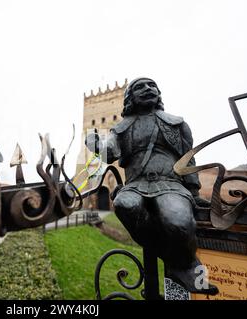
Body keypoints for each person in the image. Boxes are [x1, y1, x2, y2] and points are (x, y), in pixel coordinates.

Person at [85, 77, 217, 294]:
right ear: (130, 99)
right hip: (136, 185)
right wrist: (96, 144)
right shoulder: (122, 128)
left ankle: (183, 265)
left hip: (170, 184)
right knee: (124, 204)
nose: (147, 89)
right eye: (140, 87)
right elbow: (109, 153)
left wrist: (193, 192)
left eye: (151, 86)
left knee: (178, 222)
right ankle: (177, 261)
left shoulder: (176, 123)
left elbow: (188, 158)